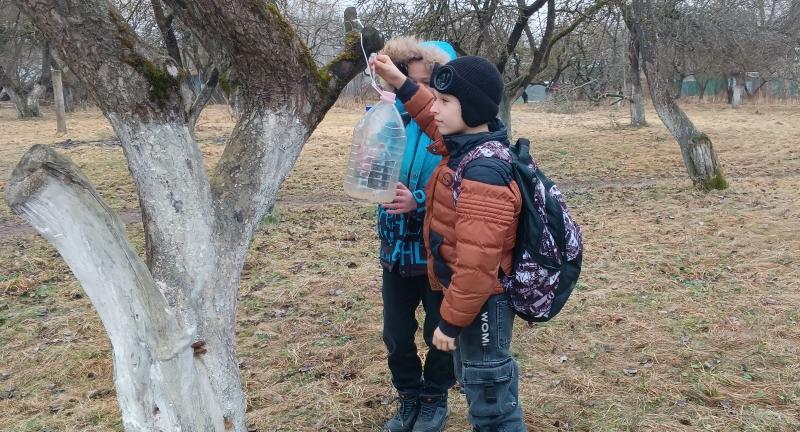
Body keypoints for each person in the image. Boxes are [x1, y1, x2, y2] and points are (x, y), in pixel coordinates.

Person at [371, 53, 527, 432]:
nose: (434, 109)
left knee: (490, 397)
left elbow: (477, 267)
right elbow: (426, 112)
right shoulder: (467, 143)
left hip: (482, 304)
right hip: (471, 300)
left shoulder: (481, 173)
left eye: (444, 101)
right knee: (478, 381)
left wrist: (450, 323)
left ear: (469, 109)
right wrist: (397, 79)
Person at [375, 37, 458, 432]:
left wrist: (419, 200)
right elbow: (377, 170)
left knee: (437, 332)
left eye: (427, 83)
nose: (418, 90)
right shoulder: (392, 118)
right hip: (395, 249)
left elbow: (461, 188)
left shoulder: (452, 128)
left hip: (436, 252)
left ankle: (434, 397)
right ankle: (408, 395)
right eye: (411, 78)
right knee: (396, 334)